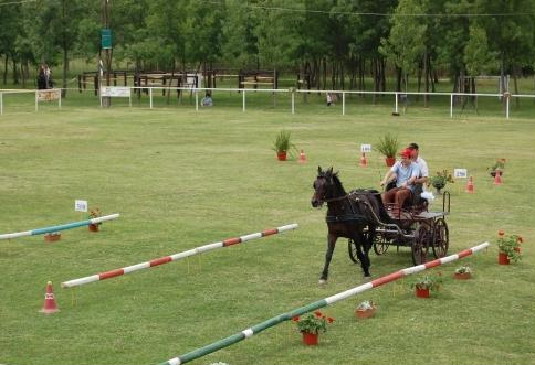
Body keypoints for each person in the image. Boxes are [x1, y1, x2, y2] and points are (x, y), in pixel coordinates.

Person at [380, 149, 420, 213]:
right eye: (402, 158)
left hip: (409, 189)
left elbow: (413, 178)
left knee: (399, 194)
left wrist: (406, 183)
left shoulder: (415, 166)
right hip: (399, 187)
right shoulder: (398, 164)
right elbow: (390, 172)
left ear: (410, 158)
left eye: (405, 158)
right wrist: (385, 180)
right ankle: (387, 212)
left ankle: (397, 213)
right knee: (387, 194)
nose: (403, 160)